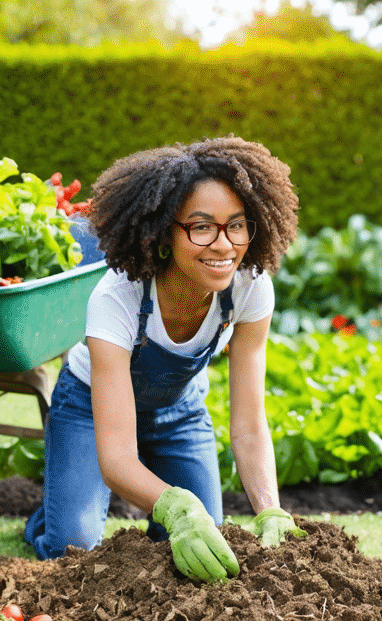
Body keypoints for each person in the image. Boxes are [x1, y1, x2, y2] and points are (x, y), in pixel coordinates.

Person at [24, 136, 303, 582]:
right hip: (88, 409)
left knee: (204, 550)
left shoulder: (250, 287)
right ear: (163, 233)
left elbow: (249, 426)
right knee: (72, 549)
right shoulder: (117, 298)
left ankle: (157, 517)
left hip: (180, 413)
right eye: (201, 227)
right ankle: (53, 515)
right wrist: (178, 505)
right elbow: (116, 458)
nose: (224, 245)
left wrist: (271, 510)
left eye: (236, 225)